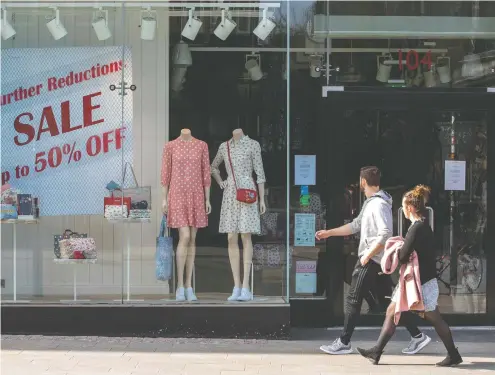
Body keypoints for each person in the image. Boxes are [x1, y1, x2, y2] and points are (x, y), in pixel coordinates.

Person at [316, 166, 430, 355]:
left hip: (371, 260)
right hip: (376, 261)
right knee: (390, 303)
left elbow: (385, 234)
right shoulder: (373, 203)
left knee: (353, 299)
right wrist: (329, 233)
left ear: (362, 181)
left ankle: (344, 342)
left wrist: (367, 255)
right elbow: (356, 225)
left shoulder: (377, 205)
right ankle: (418, 337)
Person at [357, 185, 462, 367]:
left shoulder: (416, 228)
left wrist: (396, 249)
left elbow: (404, 255)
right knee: (392, 311)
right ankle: (376, 351)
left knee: (435, 318)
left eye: (405, 206)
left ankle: (453, 354)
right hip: (420, 281)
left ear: (411, 207)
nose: (404, 210)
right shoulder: (422, 226)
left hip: (420, 282)